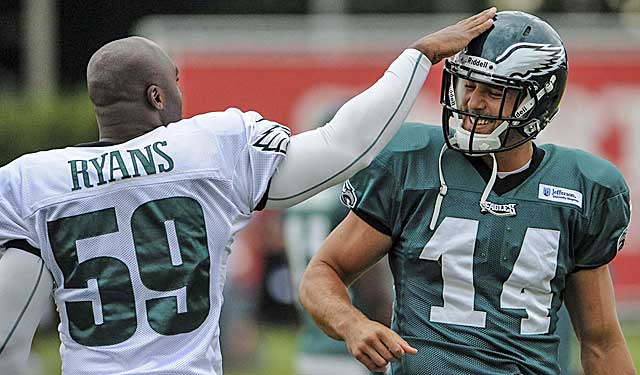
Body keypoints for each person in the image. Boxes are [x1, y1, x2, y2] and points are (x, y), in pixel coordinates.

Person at [0, 8, 497, 375]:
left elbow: (8, 335)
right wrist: (417, 58)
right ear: (157, 95)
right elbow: (345, 147)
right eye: (174, 82)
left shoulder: (30, 180)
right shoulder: (210, 146)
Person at [299, 10, 636, 375]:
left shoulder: (582, 187)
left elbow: (601, 342)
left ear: (537, 101)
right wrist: (353, 324)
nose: (474, 102)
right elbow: (322, 273)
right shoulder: (414, 164)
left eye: (494, 91)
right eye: (468, 85)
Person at [283, 184, 393, 375]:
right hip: (354, 347)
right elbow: (372, 287)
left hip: (310, 343)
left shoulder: (296, 197)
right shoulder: (346, 196)